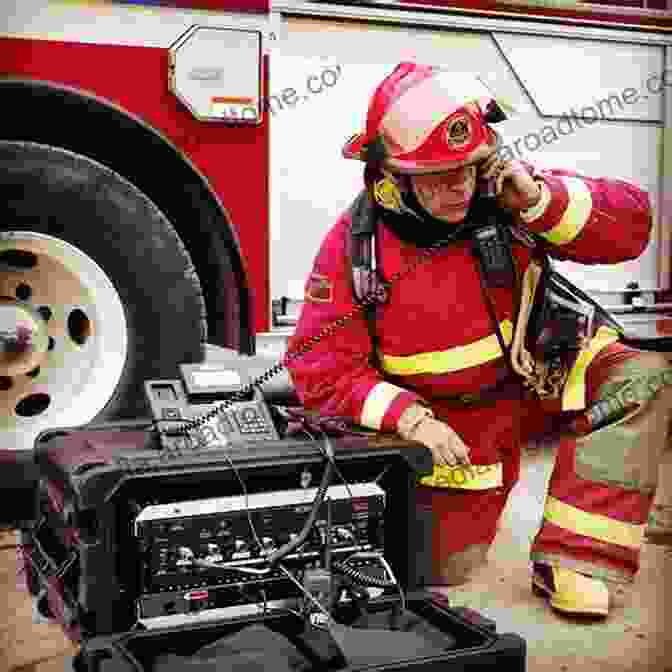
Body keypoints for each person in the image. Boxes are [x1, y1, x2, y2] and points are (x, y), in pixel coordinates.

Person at [285, 61, 672, 618]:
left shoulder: (507, 198)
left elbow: (632, 227)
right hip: (449, 425)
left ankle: (577, 560)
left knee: (645, 376)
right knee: (445, 574)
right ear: (394, 176)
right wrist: (411, 420)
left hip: (535, 378)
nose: (461, 187)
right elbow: (320, 369)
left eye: (469, 169)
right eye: (440, 175)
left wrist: (540, 201)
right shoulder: (354, 247)